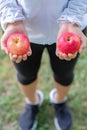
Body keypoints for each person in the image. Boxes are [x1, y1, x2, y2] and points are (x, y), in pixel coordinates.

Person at [0, 0, 87, 130]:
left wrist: (72, 19)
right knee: (25, 75)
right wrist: (13, 21)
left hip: (69, 28)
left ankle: (59, 100)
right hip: (21, 29)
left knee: (64, 74)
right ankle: (32, 102)